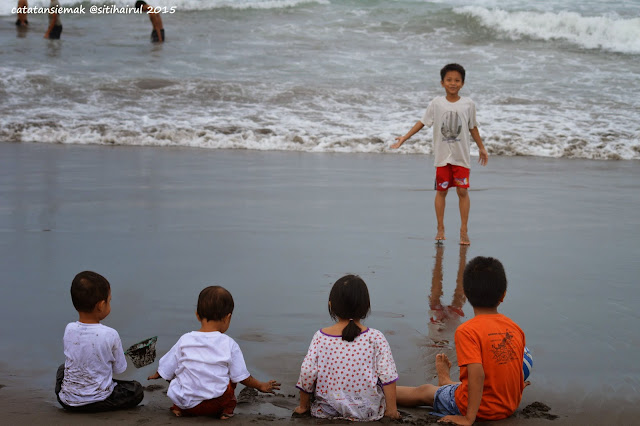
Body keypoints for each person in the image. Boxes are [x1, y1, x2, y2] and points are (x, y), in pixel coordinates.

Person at [396, 257, 527, 425]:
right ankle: (446, 382)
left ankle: (377, 391)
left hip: (481, 408)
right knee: (475, 378)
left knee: (424, 391)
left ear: (465, 292)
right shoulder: (515, 328)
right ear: (503, 295)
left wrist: (468, 418)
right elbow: (515, 369)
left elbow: (477, 374)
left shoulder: (468, 331)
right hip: (509, 405)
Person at [147, 286, 280, 419]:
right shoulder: (229, 343)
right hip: (214, 405)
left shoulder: (185, 339)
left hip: (186, 403)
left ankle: (178, 409)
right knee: (231, 379)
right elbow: (241, 377)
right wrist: (260, 385)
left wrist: (158, 374)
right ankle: (226, 411)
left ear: (197, 315)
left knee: (180, 376)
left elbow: (167, 367)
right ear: (228, 318)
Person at [392, 63, 489, 245]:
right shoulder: (436, 103)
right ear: (442, 83)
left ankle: (464, 230)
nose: (453, 83)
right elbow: (422, 122)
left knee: (462, 191)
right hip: (442, 157)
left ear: (462, 83)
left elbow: (472, 127)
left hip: (461, 157)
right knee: (441, 191)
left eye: (457, 80)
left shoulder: (468, 104)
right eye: (449, 80)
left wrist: (481, 147)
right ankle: (440, 228)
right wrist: (404, 137)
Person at [294, 275, 401, 421]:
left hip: (327, 411)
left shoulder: (320, 337)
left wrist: (303, 406)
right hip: (368, 412)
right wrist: (392, 411)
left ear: (331, 305)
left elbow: (307, 372)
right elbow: (388, 376)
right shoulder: (375, 337)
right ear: (366, 307)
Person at [55, 271, 144, 412]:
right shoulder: (110, 334)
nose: (110, 304)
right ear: (101, 305)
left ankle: (73, 394)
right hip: (99, 401)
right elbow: (119, 369)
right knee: (136, 390)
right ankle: (93, 399)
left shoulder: (69, 328)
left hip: (67, 401)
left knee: (62, 369)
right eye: (109, 301)